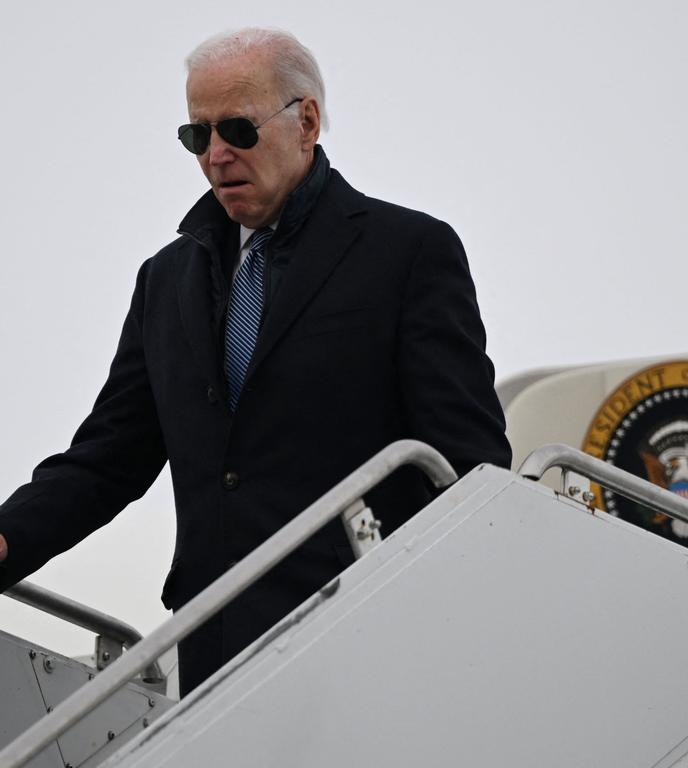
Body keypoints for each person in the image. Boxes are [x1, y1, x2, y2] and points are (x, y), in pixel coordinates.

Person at [0, 28, 511, 693]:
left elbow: (465, 460)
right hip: (215, 649)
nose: (215, 155)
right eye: (197, 136)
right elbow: (107, 459)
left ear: (307, 121)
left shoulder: (407, 252)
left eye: (238, 130)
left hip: (369, 639)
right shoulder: (166, 280)